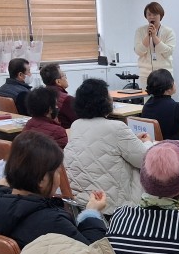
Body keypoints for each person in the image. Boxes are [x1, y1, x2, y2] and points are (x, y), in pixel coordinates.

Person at [0, 131, 107, 249]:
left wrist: (1, 187)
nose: (59, 177)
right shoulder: (52, 221)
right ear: (41, 180)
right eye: (57, 172)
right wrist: (91, 213)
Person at [64, 79, 153, 215]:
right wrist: (147, 142)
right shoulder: (116, 128)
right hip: (113, 206)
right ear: (103, 101)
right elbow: (145, 160)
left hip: (83, 202)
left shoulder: (76, 125)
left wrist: (132, 139)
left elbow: (101, 146)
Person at [133, 1, 175, 87]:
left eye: (155, 14)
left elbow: (168, 52)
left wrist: (154, 37)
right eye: (149, 14)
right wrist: (148, 36)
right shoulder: (140, 31)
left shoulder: (169, 31)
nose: (151, 17)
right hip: (146, 75)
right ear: (146, 16)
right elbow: (139, 51)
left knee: (164, 96)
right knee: (147, 96)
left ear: (160, 15)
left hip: (164, 75)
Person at [140, 69, 179, 140]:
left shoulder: (147, 105)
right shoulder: (176, 107)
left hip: (152, 144)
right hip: (171, 145)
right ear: (168, 87)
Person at [39, 63, 77, 129]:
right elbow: (78, 121)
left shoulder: (40, 95)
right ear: (58, 82)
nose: (66, 78)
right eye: (64, 75)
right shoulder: (67, 99)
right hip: (66, 132)